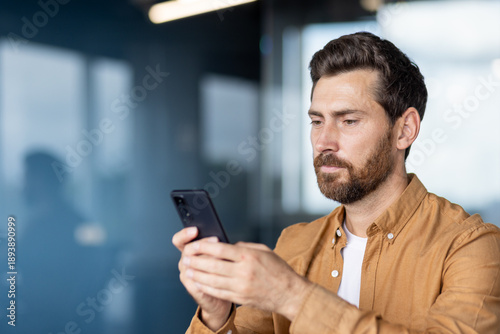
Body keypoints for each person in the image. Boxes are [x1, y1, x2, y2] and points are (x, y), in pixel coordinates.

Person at [172, 32, 500, 333]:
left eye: (348, 120)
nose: (324, 141)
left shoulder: (471, 247)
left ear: (405, 130)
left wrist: (293, 296)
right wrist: (216, 314)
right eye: (317, 121)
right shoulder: (294, 245)